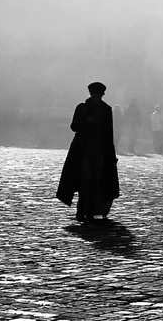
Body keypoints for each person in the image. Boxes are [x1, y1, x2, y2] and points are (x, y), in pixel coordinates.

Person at [56, 82, 120, 223]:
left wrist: (111, 153)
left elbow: (109, 133)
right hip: (83, 149)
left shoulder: (106, 110)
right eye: (95, 95)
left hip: (100, 150)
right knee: (85, 181)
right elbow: (74, 126)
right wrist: (86, 121)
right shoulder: (82, 108)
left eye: (99, 95)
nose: (97, 97)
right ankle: (81, 210)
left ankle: (89, 211)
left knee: (96, 182)